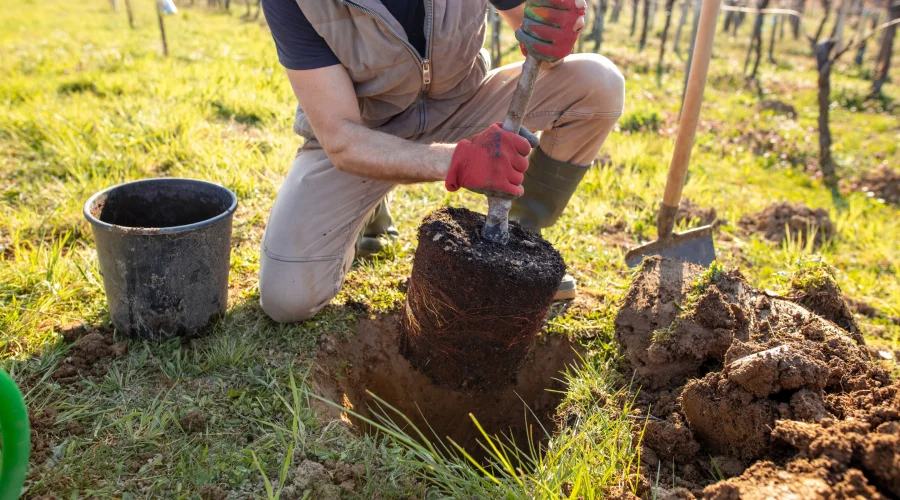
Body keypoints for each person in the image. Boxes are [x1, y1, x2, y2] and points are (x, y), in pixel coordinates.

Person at [258, 0, 625, 323]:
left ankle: (517, 244)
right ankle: (368, 203)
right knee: (288, 297)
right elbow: (340, 138)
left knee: (599, 84)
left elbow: (531, 28)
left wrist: (552, 31)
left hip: (463, 104)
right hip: (365, 133)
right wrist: (458, 161)